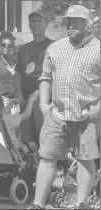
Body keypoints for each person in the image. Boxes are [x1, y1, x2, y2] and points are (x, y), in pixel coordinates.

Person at [27, 5, 100, 210]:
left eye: (76, 21)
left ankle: (81, 204)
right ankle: (38, 204)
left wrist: (98, 107)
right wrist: (43, 105)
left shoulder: (98, 48)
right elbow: (46, 77)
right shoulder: (55, 48)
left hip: (87, 116)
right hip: (57, 115)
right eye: (68, 20)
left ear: (88, 23)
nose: (70, 24)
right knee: (47, 158)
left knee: (86, 160)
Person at [16, 11, 53, 145]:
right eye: (32, 21)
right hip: (25, 100)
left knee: (44, 137)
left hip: (46, 101)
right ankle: (30, 164)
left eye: (38, 21)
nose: (34, 23)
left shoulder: (54, 47)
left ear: (46, 24)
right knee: (27, 139)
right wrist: (19, 93)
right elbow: (19, 73)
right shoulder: (23, 49)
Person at [0, 31, 25, 114]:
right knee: (3, 126)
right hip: (1, 102)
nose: (6, 47)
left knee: (15, 126)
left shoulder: (17, 64)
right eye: (3, 45)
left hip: (16, 102)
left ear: (13, 47)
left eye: (9, 45)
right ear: (0, 46)